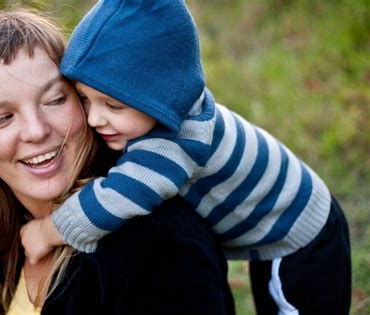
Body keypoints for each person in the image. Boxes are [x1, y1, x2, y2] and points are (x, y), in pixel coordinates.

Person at [21, 1, 352, 314]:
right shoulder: (167, 106)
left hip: (299, 236)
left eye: (114, 106)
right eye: (84, 99)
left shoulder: (174, 143)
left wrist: (46, 232)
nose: (94, 119)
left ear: (159, 95)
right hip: (283, 215)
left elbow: (114, 200)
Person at [0, 8, 235, 314]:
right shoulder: (4, 240)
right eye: (2, 118)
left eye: (55, 100)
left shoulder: (161, 243)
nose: (36, 131)